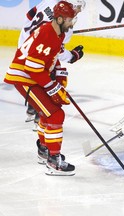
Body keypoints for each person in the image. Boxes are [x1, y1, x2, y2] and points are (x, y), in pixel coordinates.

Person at [4, 1, 78, 176]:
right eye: (69, 20)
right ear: (59, 19)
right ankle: (54, 160)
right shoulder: (48, 34)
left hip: (32, 77)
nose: (71, 24)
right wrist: (52, 88)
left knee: (50, 113)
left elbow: (51, 59)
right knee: (55, 114)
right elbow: (32, 68)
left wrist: (61, 74)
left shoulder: (56, 32)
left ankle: (45, 150)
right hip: (24, 78)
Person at [19, 0, 86, 130]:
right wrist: (73, 56)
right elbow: (57, 52)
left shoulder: (49, 2)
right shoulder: (67, 29)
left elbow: (29, 15)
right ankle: (42, 113)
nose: (79, 11)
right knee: (53, 75)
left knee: (48, 71)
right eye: (77, 7)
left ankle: (33, 107)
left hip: (22, 47)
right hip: (36, 55)